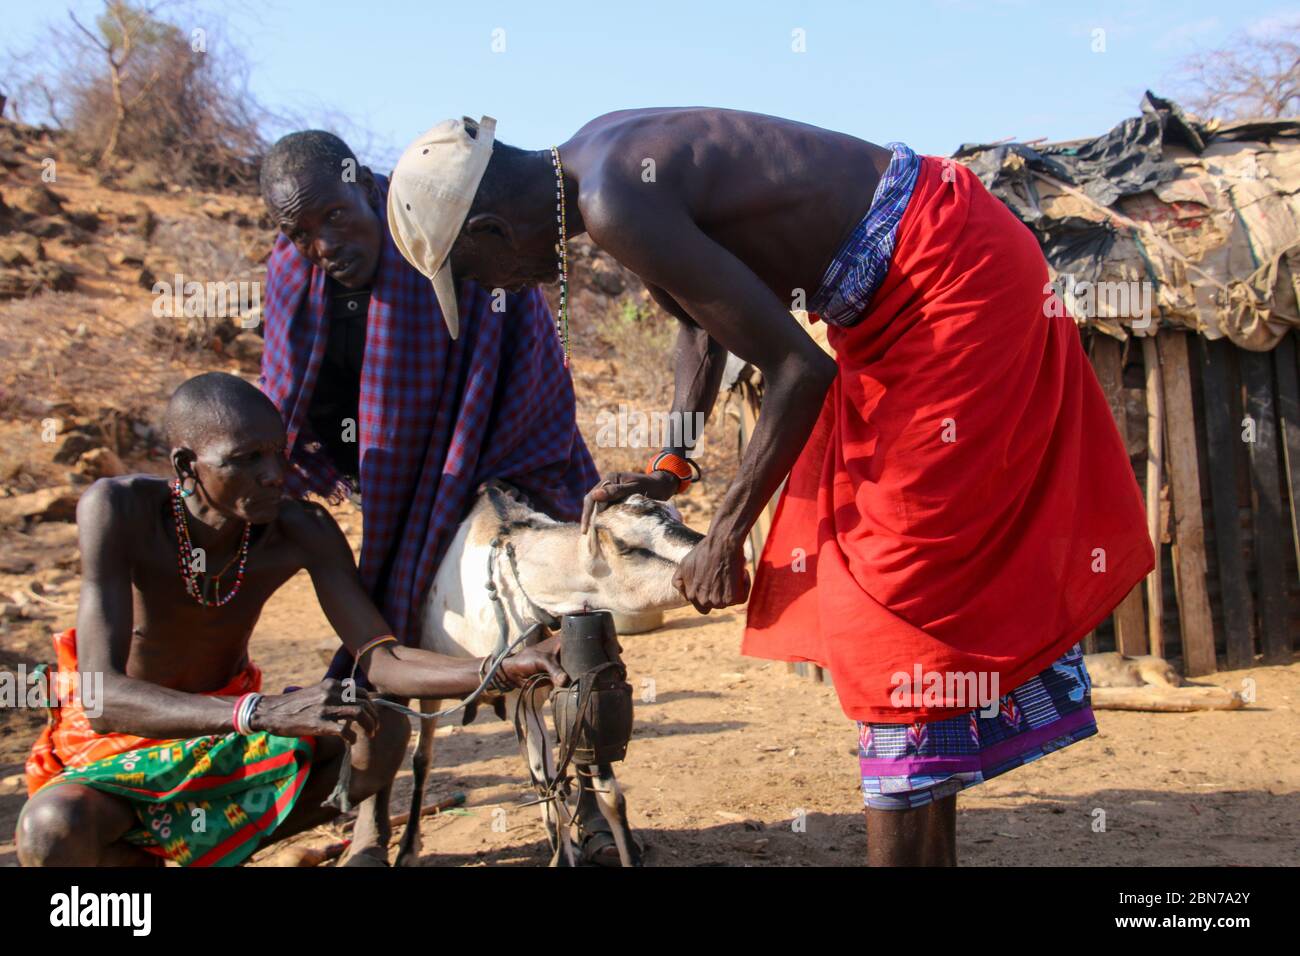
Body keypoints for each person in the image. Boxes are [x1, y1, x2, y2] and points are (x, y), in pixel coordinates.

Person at [385, 108, 1154, 866]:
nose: (509, 286)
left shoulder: (611, 198)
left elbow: (800, 369)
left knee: (891, 580)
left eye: (485, 275)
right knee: (883, 582)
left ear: (489, 228)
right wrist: (671, 464)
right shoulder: (599, 161)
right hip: (902, 297)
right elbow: (700, 324)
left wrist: (723, 535)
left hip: (952, 282)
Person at [16, 373, 568, 867]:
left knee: (378, 728)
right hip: (129, 740)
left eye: (277, 453)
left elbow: (384, 660)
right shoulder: (121, 511)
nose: (274, 475)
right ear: (187, 465)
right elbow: (103, 699)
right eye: (246, 460)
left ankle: (212, 845)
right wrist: (265, 711)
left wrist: (507, 666)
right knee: (50, 831)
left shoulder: (298, 528)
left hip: (226, 745)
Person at [257, 131, 626, 864]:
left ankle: (584, 800)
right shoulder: (292, 275)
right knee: (389, 614)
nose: (323, 243)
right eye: (300, 231)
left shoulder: (436, 222)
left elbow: (519, 340)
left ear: (365, 185)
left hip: (490, 451)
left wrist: (483, 469)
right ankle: (372, 819)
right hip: (386, 477)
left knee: (550, 614)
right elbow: (286, 388)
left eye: (334, 216)